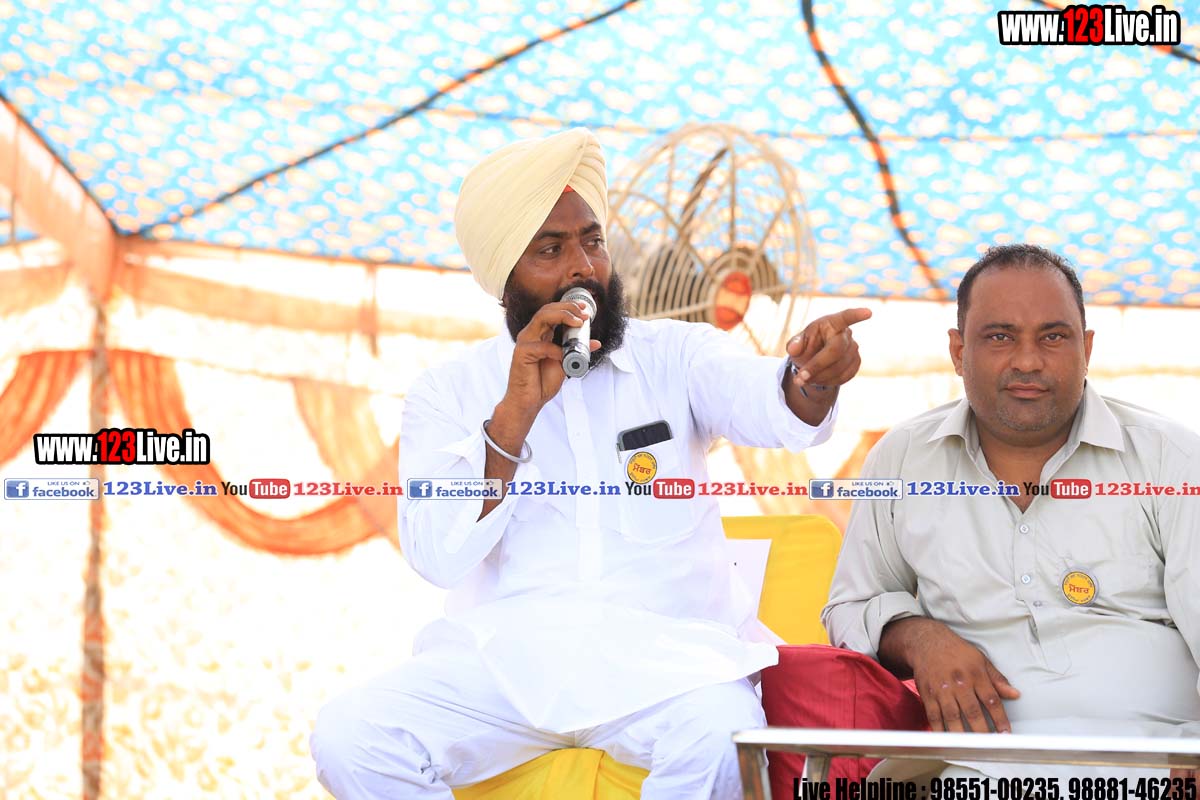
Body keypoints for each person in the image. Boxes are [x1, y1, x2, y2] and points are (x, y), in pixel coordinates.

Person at [308, 127, 871, 799]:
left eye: (592, 241)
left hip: (666, 667)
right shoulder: (448, 391)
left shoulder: (677, 355)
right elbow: (436, 555)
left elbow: (771, 402)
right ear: (506, 281)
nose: (583, 267)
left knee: (720, 733)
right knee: (350, 736)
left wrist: (811, 379)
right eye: (551, 249)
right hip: (506, 669)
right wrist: (511, 420)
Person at [823, 244, 1200, 785]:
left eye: (1053, 336)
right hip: (972, 771)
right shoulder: (904, 459)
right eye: (1000, 337)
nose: (1028, 361)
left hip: (1158, 762)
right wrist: (917, 636)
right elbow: (851, 604)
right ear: (958, 351)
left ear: (1087, 348)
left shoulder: (1170, 458)